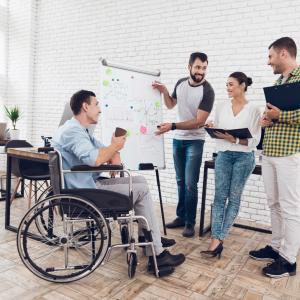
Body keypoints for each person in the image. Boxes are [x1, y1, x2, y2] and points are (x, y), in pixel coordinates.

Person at [52, 90, 185, 276]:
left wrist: (114, 152)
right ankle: (155, 250)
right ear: (85, 106)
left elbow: (101, 150)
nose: (100, 110)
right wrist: (114, 147)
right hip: (84, 193)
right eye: (96, 104)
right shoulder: (73, 132)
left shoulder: (78, 129)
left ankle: (148, 238)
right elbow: (95, 159)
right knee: (140, 188)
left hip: (85, 186)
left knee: (139, 181)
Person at [249, 37, 300, 278]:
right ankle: (277, 246)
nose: (268, 62)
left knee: (290, 207)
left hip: (291, 152)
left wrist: (282, 115)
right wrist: (267, 120)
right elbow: (278, 117)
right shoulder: (279, 82)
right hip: (270, 151)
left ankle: (289, 260)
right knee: (274, 203)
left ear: (283, 54)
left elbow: (291, 115)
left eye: (270, 56)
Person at [152, 52, 215, 237]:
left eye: (204, 68)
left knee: (190, 183)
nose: (200, 71)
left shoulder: (208, 91)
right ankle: (181, 217)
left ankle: (190, 222)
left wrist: (172, 126)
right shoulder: (180, 83)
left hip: (195, 140)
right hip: (178, 139)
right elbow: (171, 104)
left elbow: (198, 121)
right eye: (197, 67)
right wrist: (164, 91)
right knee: (180, 182)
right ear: (189, 67)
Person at [200, 72, 261, 258]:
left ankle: (217, 239)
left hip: (244, 158)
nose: (227, 88)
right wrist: (212, 127)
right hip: (224, 155)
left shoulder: (254, 110)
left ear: (242, 85)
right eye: (226, 84)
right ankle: (216, 241)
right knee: (219, 198)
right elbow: (218, 130)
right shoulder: (221, 106)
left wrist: (233, 139)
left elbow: (255, 141)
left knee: (233, 199)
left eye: (231, 84)